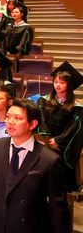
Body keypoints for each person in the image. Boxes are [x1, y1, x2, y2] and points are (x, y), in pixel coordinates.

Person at [0, 99, 70, 233]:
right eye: (8, 117)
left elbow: (58, 206)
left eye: (17, 118)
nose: (10, 122)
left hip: (27, 226)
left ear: (32, 124)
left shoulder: (49, 160)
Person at [36, 61, 83, 192]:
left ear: (69, 85)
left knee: (61, 185)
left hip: (65, 149)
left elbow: (74, 129)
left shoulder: (76, 107)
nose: (57, 85)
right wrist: (48, 140)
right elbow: (42, 121)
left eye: (62, 82)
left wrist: (58, 141)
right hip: (47, 145)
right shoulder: (44, 101)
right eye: (56, 81)